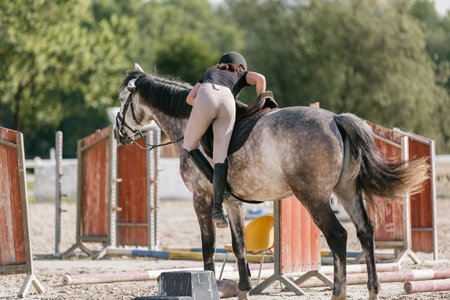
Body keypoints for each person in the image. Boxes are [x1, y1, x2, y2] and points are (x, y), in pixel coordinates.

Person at [183, 51, 266, 228]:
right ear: (241, 66)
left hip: (206, 94)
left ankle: (216, 183)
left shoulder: (210, 72)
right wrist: (260, 102)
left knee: (189, 145)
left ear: (222, 64)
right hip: (229, 102)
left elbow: (189, 99)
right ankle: (218, 210)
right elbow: (260, 78)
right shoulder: (241, 74)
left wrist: (205, 110)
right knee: (220, 156)